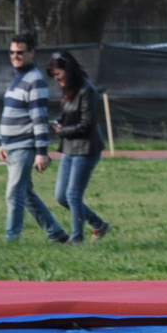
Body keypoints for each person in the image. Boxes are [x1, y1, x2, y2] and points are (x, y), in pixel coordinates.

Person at [0, 33, 67, 243]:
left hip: (24, 145)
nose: (15, 56)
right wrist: (1, 142)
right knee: (26, 195)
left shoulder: (35, 81)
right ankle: (56, 233)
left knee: (13, 194)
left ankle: (11, 238)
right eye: (12, 52)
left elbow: (39, 118)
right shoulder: (18, 78)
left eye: (20, 52)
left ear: (32, 53)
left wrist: (41, 152)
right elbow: (9, 113)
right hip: (11, 145)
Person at [47, 50, 113, 242]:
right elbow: (69, 114)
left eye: (58, 74)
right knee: (61, 196)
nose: (56, 78)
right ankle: (99, 225)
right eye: (54, 75)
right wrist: (59, 122)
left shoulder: (87, 91)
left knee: (73, 195)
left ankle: (76, 238)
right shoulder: (68, 89)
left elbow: (87, 125)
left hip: (87, 149)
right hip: (70, 148)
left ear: (68, 70)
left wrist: (62, 131)